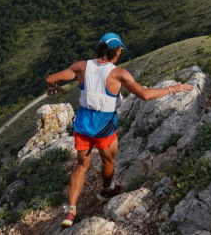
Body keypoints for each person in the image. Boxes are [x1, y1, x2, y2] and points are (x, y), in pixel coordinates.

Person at [45, 32, 193, 228]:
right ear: (115, 51)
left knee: (81, 165)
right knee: (108, 159)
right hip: (103, 126)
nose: (121, 51)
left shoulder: (81, 66)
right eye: (121, 49)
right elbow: (145, 95)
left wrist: (54, 88)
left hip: (82, 124)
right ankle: (107, 190)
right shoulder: (118, 74)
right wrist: (174, 89)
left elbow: (50, 79)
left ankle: (70, 211)